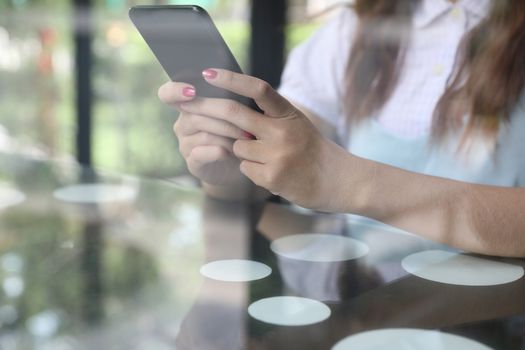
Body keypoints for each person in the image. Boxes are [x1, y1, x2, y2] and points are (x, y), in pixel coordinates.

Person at [157, 0, 525, 258]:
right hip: (368, 305)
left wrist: (350, 182)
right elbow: (281, 159)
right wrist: (230, 164)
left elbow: (324, 173)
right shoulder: (351, 33)